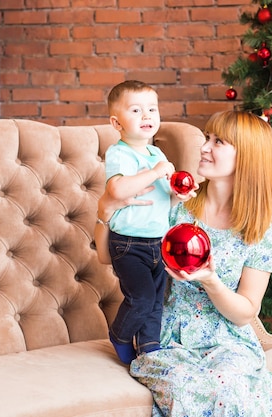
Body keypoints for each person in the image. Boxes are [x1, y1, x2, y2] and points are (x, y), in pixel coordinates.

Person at [95, 110, 272, 416]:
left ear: (248, 158)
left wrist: (210, 280)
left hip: (228, 341)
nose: (204, 147)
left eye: (218, 142)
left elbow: (245, 312)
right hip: (165, 336)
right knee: (187, 386)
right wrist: (105, 210)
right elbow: (107, 257)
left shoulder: (263, 229)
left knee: (233, 386)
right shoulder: (176, 205)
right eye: (206, 138)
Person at [101, 80, 183, 364]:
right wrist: (157, 172)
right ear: (117, 122)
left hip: (158, 242)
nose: (146, 116)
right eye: (136, 110)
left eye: (152, 109)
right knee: (141, 298)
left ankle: (150, 347)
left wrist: (177, 194)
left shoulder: (156, 153)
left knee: (156, 302)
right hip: (129, 244)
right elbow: (118, 190)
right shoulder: (120, 153)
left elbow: (162, 200)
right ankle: (120, 335)